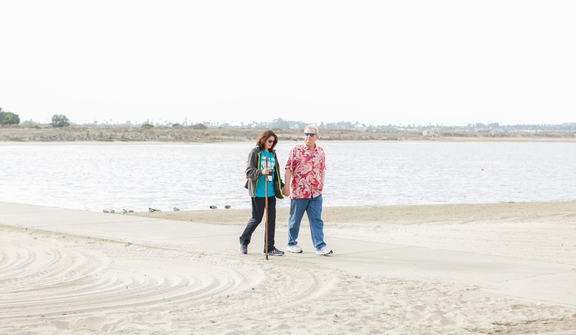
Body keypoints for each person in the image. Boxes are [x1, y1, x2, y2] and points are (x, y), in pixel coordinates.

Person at [283, 125, 333, 256]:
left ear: (316, 137)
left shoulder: (321, 151)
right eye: (306, 134)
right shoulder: (296, 150)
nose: (308, 137)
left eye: (311, 135)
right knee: (295, 220)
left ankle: (320, 246)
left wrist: (322, 184)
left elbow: (322, 169)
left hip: (316, 192)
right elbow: (288, 168)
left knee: (316, 220)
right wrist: (286, 187)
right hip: (299, 191)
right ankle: (291, 243)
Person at [239, 129, 285, 256]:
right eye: (269, 141)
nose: (271, 143)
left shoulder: (273, 154)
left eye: (273, 142)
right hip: (259, 192)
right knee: (256, 219)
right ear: (263, 139)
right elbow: (248, 171)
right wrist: (261, 172)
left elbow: (276, 173)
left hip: (270, 193)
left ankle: (269, 247)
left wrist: (282, 186)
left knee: (271, 220)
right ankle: (244, 241)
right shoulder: (255, 152)